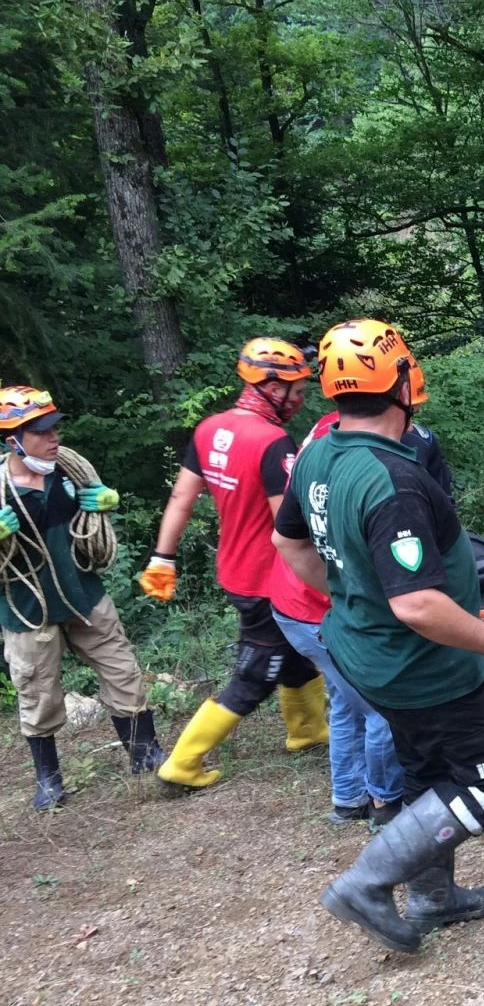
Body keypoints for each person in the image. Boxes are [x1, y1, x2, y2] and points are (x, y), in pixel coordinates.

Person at [274, 318, 484, 954]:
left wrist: (349, 593)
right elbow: (418, 602)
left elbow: (288, 542)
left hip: (362, 651)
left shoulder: (317, 454)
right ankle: (366, 884)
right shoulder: (393, 480)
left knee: (427, 772)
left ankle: (433, 897)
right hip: (424, 666)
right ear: (400, 385)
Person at [271, 334, 455, 828]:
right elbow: (425, 541)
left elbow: (287, 536)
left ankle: (348, 799)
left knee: (346, 702)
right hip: (329, 603)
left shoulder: (319, 440)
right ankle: (385, 806)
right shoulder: (397, 457)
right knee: (381, 708)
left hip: (300, 596)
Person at [140, 338, 328, 791]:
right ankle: (182, 763)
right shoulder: (271, 441)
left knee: (292, 656)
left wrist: (162, 558)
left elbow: (182, 497)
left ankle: (306, 731)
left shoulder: (209, 429)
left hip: (234, 571)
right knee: (254, 673)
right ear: (267, 387)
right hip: (270, 577)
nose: (301, 399)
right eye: (295, 390)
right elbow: (292, 522)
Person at [0, 386, 161, 809]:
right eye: (41, 432)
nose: (54, 438)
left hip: (83, 593)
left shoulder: (70, 472)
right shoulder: (2, 490)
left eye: (54, 428)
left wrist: (98, 504)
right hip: (29, 609)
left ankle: (144, 754)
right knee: (37, 690)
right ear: (12, 439)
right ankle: (48, 781)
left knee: (122, 668)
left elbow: (92, 522)